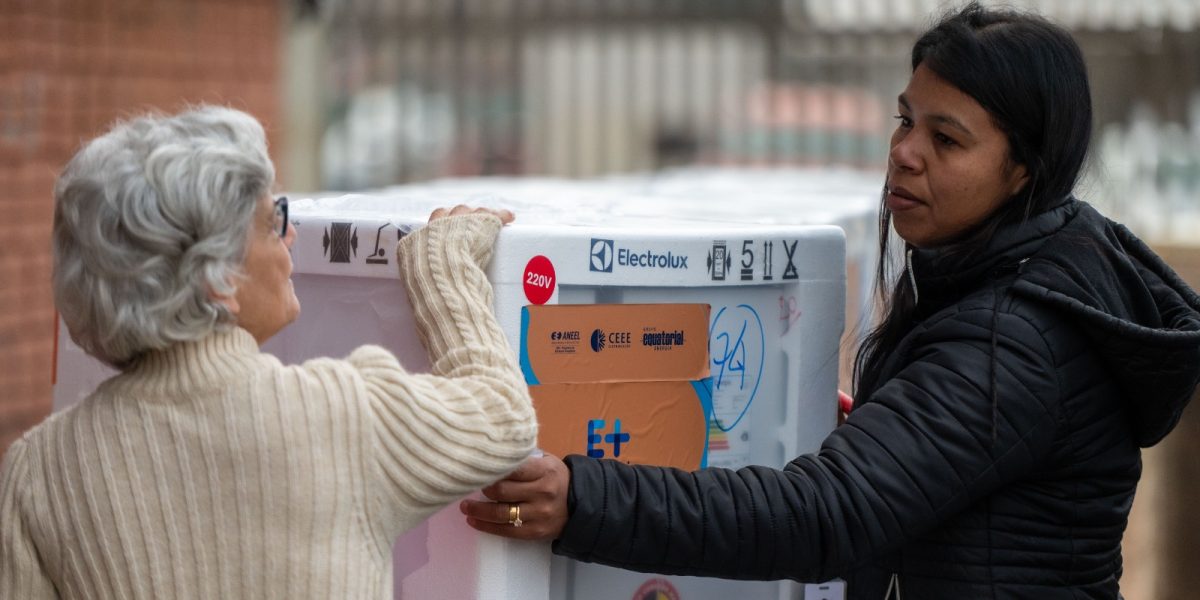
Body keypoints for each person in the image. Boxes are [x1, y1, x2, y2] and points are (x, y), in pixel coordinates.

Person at [461, 4, 1200, 598]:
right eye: (906, 120)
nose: (906, 152)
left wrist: (584, 499)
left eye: (947, 139)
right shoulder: (1017, 281)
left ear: (1022, 173)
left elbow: (826, 515)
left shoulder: (1016, 341)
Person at [0, 106, 537, 599]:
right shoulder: (340, 414)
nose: (292, 238)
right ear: (218, 279)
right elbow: (504, 415)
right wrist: (442, 267)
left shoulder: (38, 471)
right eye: (273, 219)